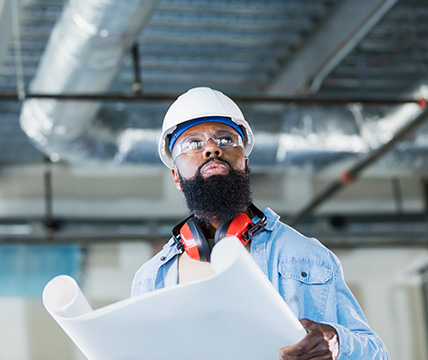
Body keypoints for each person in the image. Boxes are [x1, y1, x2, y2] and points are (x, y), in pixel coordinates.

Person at [131, 87, 388, 359]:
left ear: (245, 161)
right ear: (175, 176)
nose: (211, 148)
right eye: (193, 144)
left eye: (226, 139)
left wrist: (336, 343)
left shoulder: (307, 257)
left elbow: (377, 353)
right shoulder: (151, 279)